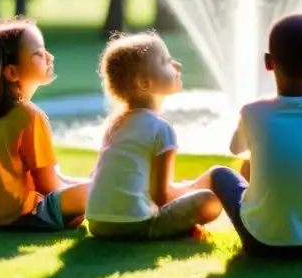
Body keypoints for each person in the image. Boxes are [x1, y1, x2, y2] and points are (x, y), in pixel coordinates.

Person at [209, 13, 302, 259]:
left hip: (259, 244)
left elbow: (235, 149)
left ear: (268, 62)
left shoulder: (252, 111)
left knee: (222, 173)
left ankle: (264, 218)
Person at [85, 32, 222, 240]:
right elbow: (161, 197)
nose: (177, 66)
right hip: (135, 225)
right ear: (145, 83)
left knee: (197, 191)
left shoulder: (115, 125)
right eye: (166, 62)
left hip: (97, 223)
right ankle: (162, 231)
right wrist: (192, 190)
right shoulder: (160, 129)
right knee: (210, 201)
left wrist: (188, 187)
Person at [0, 17, 90, 231]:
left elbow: (55, 177)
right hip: (21, 213)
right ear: (12, 72)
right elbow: (50, 187)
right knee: (100, 191)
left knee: (98, 185)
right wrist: (93, 191)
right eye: (39, 54)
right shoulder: (29, 116)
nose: (50, 57)